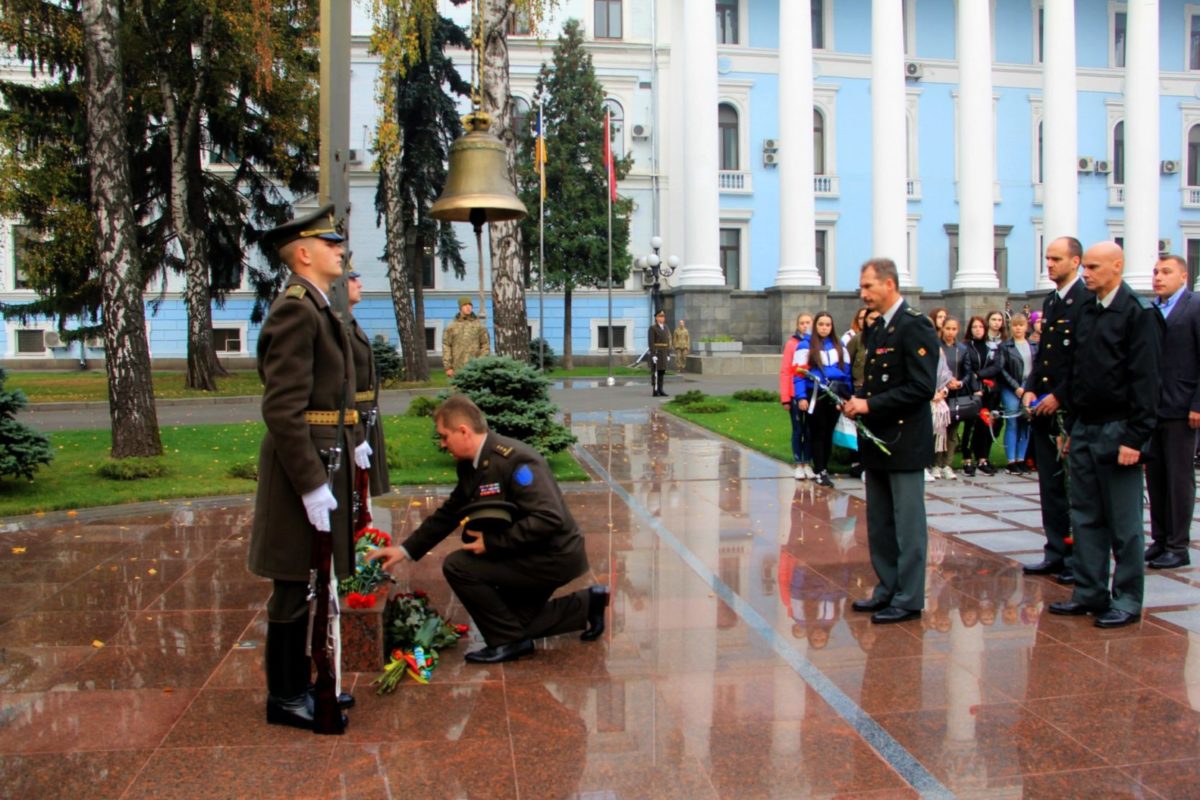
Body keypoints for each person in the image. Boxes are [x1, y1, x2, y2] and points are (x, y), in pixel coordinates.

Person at [367, 395, 609, 661]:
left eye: (445, 436)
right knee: (516, 622)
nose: (443, 444)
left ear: (463, 431)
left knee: (459, 565)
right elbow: (450, 512)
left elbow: (548, 518)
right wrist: (404, 550)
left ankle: (508, 642)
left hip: (553, 556)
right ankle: (588, 604)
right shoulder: (472, 465)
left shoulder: (516, 463)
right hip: (529, 551)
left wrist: (493, 543)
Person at [248, 203, 355, 731]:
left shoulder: (317, 306)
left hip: (319, 460)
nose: (341, 250)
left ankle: (307, 682)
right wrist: (312, 485)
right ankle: (285, 695)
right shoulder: (296, 308)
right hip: (298, 471)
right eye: (332, 244)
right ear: (305, 253)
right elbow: (283, 409)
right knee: (292, 584)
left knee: (313, 579)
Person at [1047, 241, 1161, 628]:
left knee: (1124, 523)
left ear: (1118, 266)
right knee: (1085, 515)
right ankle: (1090, 590)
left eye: (1094, 267)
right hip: (1085, 427)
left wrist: (1136, 438)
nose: (1088, 273)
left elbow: (1146, 382)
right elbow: (1078, 373)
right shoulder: (1087, 310)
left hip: (1119, 429)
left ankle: (1127, 598)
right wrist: (1070, 428)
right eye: (1087, 267)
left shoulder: (1137, 314)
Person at [842, 257, 938, 624]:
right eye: (862, 287)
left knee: (908, 523)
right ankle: (887, 589)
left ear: (889, 285)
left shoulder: (914, 326)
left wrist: (870, 404)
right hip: (877, 439)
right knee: (880, 522)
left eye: (868, 286)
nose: (862, 293)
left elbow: (921, 387)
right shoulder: (877, 328)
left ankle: (910, 597)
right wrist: (856, 402)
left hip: (903, 440)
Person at [1020, 236, 1091, 584]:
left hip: (1069, 408)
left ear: (1075, 261)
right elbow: (1044, 356)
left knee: (1073, 487)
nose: (1049, 264)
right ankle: (1055, 551)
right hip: (1043, 408)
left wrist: (1059, 397)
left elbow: (1083, 360)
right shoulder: (1051, 301)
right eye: (1047, 258)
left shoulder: (1085, 301)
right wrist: (1031, 388)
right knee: (1049, 483)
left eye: (1057, 259)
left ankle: (1077, 556)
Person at [1144, 254, 1199, 569]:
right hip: (1154, 408)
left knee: (1179, 478)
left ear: (1183, 276)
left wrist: (1198, 404)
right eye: (1155, 272)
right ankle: (1161, 539)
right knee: (1156, 477)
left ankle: (1179, 546)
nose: (1158, 277)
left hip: (1183, 408)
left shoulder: (1194, 306)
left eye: (1166, 272)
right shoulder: (1153, 310)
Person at [345, 271, 390, 500]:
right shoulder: (340, 326)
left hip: (365, 415)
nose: (360, 284)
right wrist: (356, 432)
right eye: (353, 279)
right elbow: (340, 385)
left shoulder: (350, 323)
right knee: (355, 494)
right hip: (355, 418)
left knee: (363, 495)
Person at [793, 311, 851, 488]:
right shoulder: (805, 345)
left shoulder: (839, 345)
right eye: (821, 324)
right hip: (815, 395)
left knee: (828, 433)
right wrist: (801, 396)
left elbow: (847, 373)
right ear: (815, 326)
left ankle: (823, 467)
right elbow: (798, 374)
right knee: (817, 432)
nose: (824, 328)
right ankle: (819, 470)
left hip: (834, 395)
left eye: (828, 324)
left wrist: (848, 396)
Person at [932, 316, 973, 479]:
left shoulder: (961, 349)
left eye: (953, 329)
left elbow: (968, 371)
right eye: (947, 328)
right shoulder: (937, 347)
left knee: (952, 431)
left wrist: (960, 383)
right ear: (942, 329)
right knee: (938, 431)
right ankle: (935, 463)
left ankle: (947, 464)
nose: (950, 332)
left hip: (955, 395)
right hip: (939, 394)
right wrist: (944, 383)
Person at [999, 312, 1036, 474]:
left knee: (1026, 423)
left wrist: (1030, 388)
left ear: (1026, 327)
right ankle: (1011, 461)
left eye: (1021, 325)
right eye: (1015, 325)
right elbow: (1002, 370)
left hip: (1029, 387)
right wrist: (1016, 387)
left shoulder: (1034, 346)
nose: (1018, 328)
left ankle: (1021, 458)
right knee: (1013, 422)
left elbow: (1038, 368)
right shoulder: (1005, 346)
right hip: (1011, 388)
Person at [779, 312, 814, 479]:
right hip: (795, 394)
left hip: (812, 392)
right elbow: (786, 371)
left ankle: (808, 462)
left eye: (808, 322)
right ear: (797, 325)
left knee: (809, 430)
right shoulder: (792, 344)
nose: (805, 325)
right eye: (802, 323)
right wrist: (785, 397)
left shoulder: (816, 343)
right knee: (798, 429)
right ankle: (798, 463)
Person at [442, 296, 490, 378]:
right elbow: (446, 346)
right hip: (457, 367)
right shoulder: (452, 326)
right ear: (460, 307)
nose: (468, 307)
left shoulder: (479, 325)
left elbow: (485, 344)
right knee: (457, 390)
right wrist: (448, 367)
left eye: (470, 305)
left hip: (475, 368)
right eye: (465, 305)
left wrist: (481, 362)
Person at [648, 310, 672, 397]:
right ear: (656, 318)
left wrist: (668, 354)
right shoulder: (653, 328)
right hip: (657, 352)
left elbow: (668, 341)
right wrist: (653, 354)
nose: (662, 318)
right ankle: (655, 390)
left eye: (663, 316)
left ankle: (661, 389)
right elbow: (651, 342)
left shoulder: (666, 327)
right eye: (660, 316)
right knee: (656, 372)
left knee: (662, 372)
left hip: (664, 352)